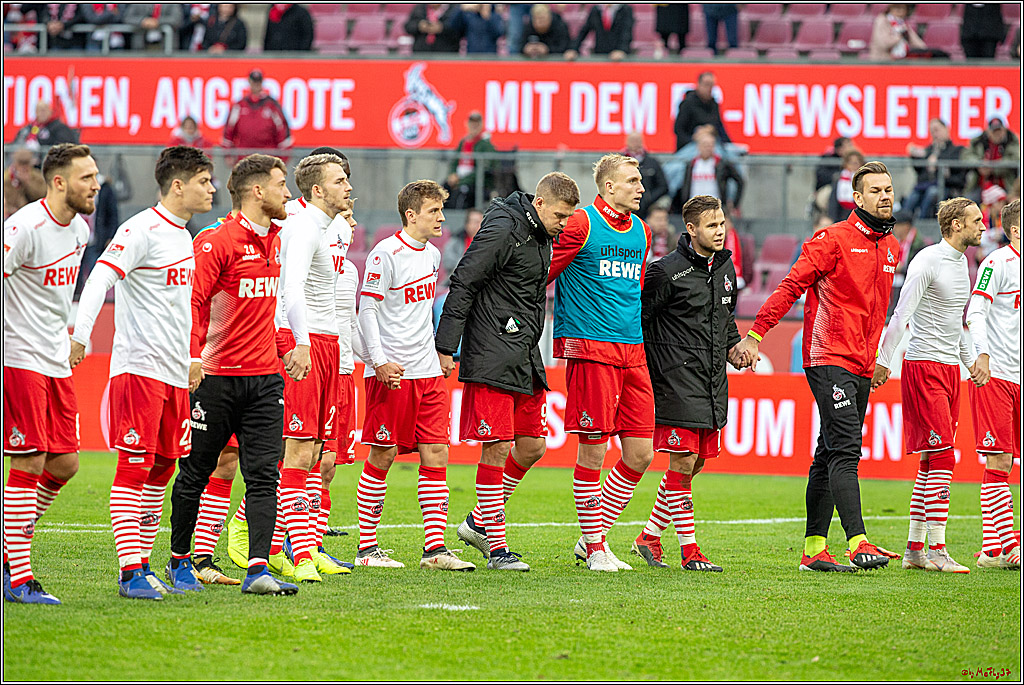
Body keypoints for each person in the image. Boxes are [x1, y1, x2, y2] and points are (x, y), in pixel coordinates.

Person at [733, 161, 902, 573]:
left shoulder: (891, 247)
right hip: (827, 356)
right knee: (845, 449)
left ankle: (813, 549)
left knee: (828, 450)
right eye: (875, 190)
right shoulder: (833, 239)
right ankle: (858, 542)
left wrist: (881, 357)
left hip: (862, 363)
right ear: (857, 198)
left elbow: (880, 312)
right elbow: (791, 285)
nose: (885, 196)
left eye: (888, 189)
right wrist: (756, 335)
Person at [70, 147, 215, 599]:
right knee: (135, 466)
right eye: (204, 181)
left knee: (164, 466)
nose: (211, 189)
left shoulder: (183, 236)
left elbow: (183, 309)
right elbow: (99, 278)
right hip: (139, 369)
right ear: (178, 185)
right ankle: (130, 572)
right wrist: (81, 335)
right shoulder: (140, 229)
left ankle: (142, 568)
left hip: (174, 374)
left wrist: (193, 357)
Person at [167, 154, 299, 597]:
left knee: (265, 475)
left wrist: (286, 346)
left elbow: (272, 305)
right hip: (216, 379)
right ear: (257, 191)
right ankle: (179, 560)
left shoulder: (277, 240)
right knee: (197, 471)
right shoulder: (215, 241)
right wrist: (191, 357)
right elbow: (193, 303)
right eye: (282, 185)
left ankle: (258, 569)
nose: (288, 193)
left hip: (265, 380)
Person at [437, 172, 581, 571]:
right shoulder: (503, 227)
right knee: (497, 445)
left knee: (532, 445)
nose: (564, 224)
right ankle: (497, 548)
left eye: (569, 217)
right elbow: (464, 280)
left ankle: (478, 521)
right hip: (491, 350)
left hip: (523, 350)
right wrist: (447, 344)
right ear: (539, 204)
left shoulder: (542, 234)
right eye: (560, 215)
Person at [354, 180, 475, 571]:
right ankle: (367, 548)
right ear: (411, 214)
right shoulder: (384, 253)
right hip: (392, 370)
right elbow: (367, 311)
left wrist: (440, 352)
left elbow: (423, 313)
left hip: (426, 370)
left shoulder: (434, 256)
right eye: (434, 211)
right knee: (384, 453)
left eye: (441, 210)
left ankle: (435, 550)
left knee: (437, 452)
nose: (442, 217)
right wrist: (379, 361)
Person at [632, 195, 750, 572]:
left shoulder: (725, 270)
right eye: (712, 226)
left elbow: (724, 319)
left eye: (722, 224)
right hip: (675, 379)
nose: (719, 231)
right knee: (682, 461)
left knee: (695, 462)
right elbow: (639, 321)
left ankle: (649, 536)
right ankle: (690, 551)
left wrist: (735, 348)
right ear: (691, 229)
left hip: (712, 379)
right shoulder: (664, 272)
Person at [548, 154, 653, 573]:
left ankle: (591, 537)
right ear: (609, 187)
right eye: (632, 181)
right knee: (593, 449)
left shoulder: (642, 231)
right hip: (592, 348)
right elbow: (543, 273)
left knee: (641, 453)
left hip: (634, 349)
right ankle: (595, 547)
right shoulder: (581, 223)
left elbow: (637, 291)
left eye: (641, 180)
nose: (640, 187)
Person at [3, 143, 98, 604]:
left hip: (55, 358)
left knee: (65, 464)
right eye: (86, 177)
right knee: (30, 460)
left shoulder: (79, 229)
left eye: (96, 176)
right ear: (59, 182)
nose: (96, 185)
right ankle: (17, 575)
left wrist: (72, 336)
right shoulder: (23, 227)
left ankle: (8, 546)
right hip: (19, 357)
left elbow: (56, 299)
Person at [875, 198, 988, 574]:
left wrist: (970, 361)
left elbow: (957, 324)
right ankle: (938, 548)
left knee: (929, 461)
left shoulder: (961, 267)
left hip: (948, 370)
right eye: (975, 221)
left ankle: (914, 550)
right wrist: (883, 360)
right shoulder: (926, 261)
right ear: (955, 225)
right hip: (923, 368)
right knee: (943, 458)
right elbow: (901, 314)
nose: (983, 227)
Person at [272, 152, 353, 583]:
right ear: (317, 190)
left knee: (317, 453)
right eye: (340, 181)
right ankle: (299, 553)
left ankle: (295, 548)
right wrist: (299, 343)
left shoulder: (326, 226)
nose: (349, 187)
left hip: (327, 343)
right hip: (307, 343)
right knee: (299, 451)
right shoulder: (303, 227)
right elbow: (291, 292)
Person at [966, 199, 1021, 569]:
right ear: (1015, 230)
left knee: (1008, 460)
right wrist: (982, 354)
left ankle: (993, 550)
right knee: (999, 458)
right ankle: (1008, 547)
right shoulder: (997, 263)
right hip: (998, 374)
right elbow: (975, 311)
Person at [222, 70, 292, 160]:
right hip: (244, 157)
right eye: (254, 82)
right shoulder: (240, 105)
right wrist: (228, 154)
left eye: (258, 82)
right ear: (249, 82)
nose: (256, 85)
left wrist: (283, 158)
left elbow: (282, 130)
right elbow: (229, 130)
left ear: (262, 83)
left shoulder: (271, 105)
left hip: (267, 157)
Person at [904, 119, 966, 218]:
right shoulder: (928, 150)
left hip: (947, 187)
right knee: (913, 195)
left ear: (946, 129)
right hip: (925, 186)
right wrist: (915, 156)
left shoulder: (957, 150)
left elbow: (959, 174)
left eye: (937, 130)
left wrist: (937, 162)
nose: (935, 134)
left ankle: (923, 223)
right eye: (932, 131)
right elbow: (920, 172)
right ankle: (903, 222)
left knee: (932, 193)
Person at [677, 129, 744, 216]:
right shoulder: (691, 164)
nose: (708, 148)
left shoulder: (721, 163)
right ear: (698, 146)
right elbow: (685, 184)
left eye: (710, 145)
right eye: (705, 145)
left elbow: (739, 180)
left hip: (715, 208)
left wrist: (734, 203)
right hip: (694, 208)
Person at [444, 111, 496, 210]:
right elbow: (454, 161)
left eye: (477, 123)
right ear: (467, 124)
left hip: (476, 182)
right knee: (441, 190)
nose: (474, 126)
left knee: (462, 193)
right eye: (472, 123)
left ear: (481, 125)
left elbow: (484, 169)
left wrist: (461, 181)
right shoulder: (463, 142)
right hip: (459, 178)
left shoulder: (485, 144)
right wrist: (452, 174)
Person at [963, 117, 1020, 198]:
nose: (997, 134)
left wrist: (992, 167)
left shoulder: (1012, 141)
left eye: (999, 131)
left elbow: (1015, 158)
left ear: (1004, 130)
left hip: (1006, 185)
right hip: (981, 185)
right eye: (994, 132)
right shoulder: (978, 141)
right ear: (988, 132)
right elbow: (966, 156)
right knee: (968, 202)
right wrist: (980, 164)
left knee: (1012, 204)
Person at [674, 72, 730, 151]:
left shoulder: (714, 104)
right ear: (699, 84)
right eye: (706, 84)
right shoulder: (688, 103)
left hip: (712, 147)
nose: (709, 88)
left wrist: (711, 130)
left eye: (711, 85)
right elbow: (678, 129)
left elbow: (720, 128)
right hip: (690, 146)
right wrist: (695, 138)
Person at [888, 209, 927, 314]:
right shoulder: (896, 242)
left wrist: (901, 268)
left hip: (910, 285)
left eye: (896, 225)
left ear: (906, 226)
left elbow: (920, 269)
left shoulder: (919, 244)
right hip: (896, 282)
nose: (894, 229)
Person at [624, 131, 668, 220]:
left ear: (642, 142)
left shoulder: (652, 162)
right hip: (625, 207)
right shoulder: (619, 162)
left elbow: (663, 186)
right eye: (632, 140)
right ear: (627, 142)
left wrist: (649, 198)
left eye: (637, 140)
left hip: (647, 210)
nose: (635, 143)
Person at [565, 4, 633, 61]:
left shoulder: (625, 10)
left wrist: (621, 50)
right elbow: (584, 31)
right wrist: (573, 49)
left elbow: (626, 32)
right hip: (600, 54)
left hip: (618, 56)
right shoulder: (596, 10)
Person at [12, 101, 79, 154]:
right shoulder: (30, 127)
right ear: (36, 112)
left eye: (44, 110)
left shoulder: (59, 127)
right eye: (40, 110)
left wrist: (41, 146)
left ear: (50, 111)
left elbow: (65, 145)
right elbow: (17, 143)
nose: (42, 113)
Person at [440, 207, 483, 287]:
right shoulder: (456, 240)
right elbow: (448, 262)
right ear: (467, 224)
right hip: (455, 282)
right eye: (476, 222)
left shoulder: (487, 242)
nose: (479, 225)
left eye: (482, 222)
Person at [3, 148, 46, 220]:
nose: (24, 167)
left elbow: (42, 196)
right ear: (15, 163)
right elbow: (9, 201)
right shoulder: (6, 178)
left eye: (26, 163)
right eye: (21, 163)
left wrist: (27, 183)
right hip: (12, 216)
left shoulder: (37, 177)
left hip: (34, 215)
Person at [826, 148, 866, 223]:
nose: (854, 165)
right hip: (841, 215)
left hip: (859, 215)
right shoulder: (839, 177)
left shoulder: (865, 179)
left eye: (856, 162)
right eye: (851, 163)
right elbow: (833, 200)